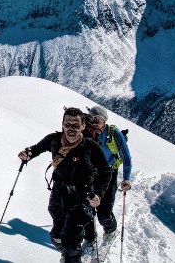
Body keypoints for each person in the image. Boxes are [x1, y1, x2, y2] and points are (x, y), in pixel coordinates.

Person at [18, 107, 112, 263]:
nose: (71, 128)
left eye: (76, 125)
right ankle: (70, 254)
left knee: (70, 241)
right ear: (62, 124)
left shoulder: (89, 146)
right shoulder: (54, 140)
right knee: (56, 237)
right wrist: (28, 154)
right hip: (59, 193)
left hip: (82, 197)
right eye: (68, 124)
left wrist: (99, 194)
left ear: (83, 127)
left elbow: (105, 172)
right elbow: (37, 149)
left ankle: (72, 256)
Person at [82, 105, 133, 247]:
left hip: (109, 174)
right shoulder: (87, 132)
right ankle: (90, 237)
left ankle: (110, 229)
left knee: (104, 213)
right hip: (91, 175)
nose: (95, 123)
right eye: (92, 119)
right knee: (87, 210)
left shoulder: (114, 133)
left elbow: (126, 157)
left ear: (104, 121)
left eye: (98, 120)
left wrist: (126, 178)